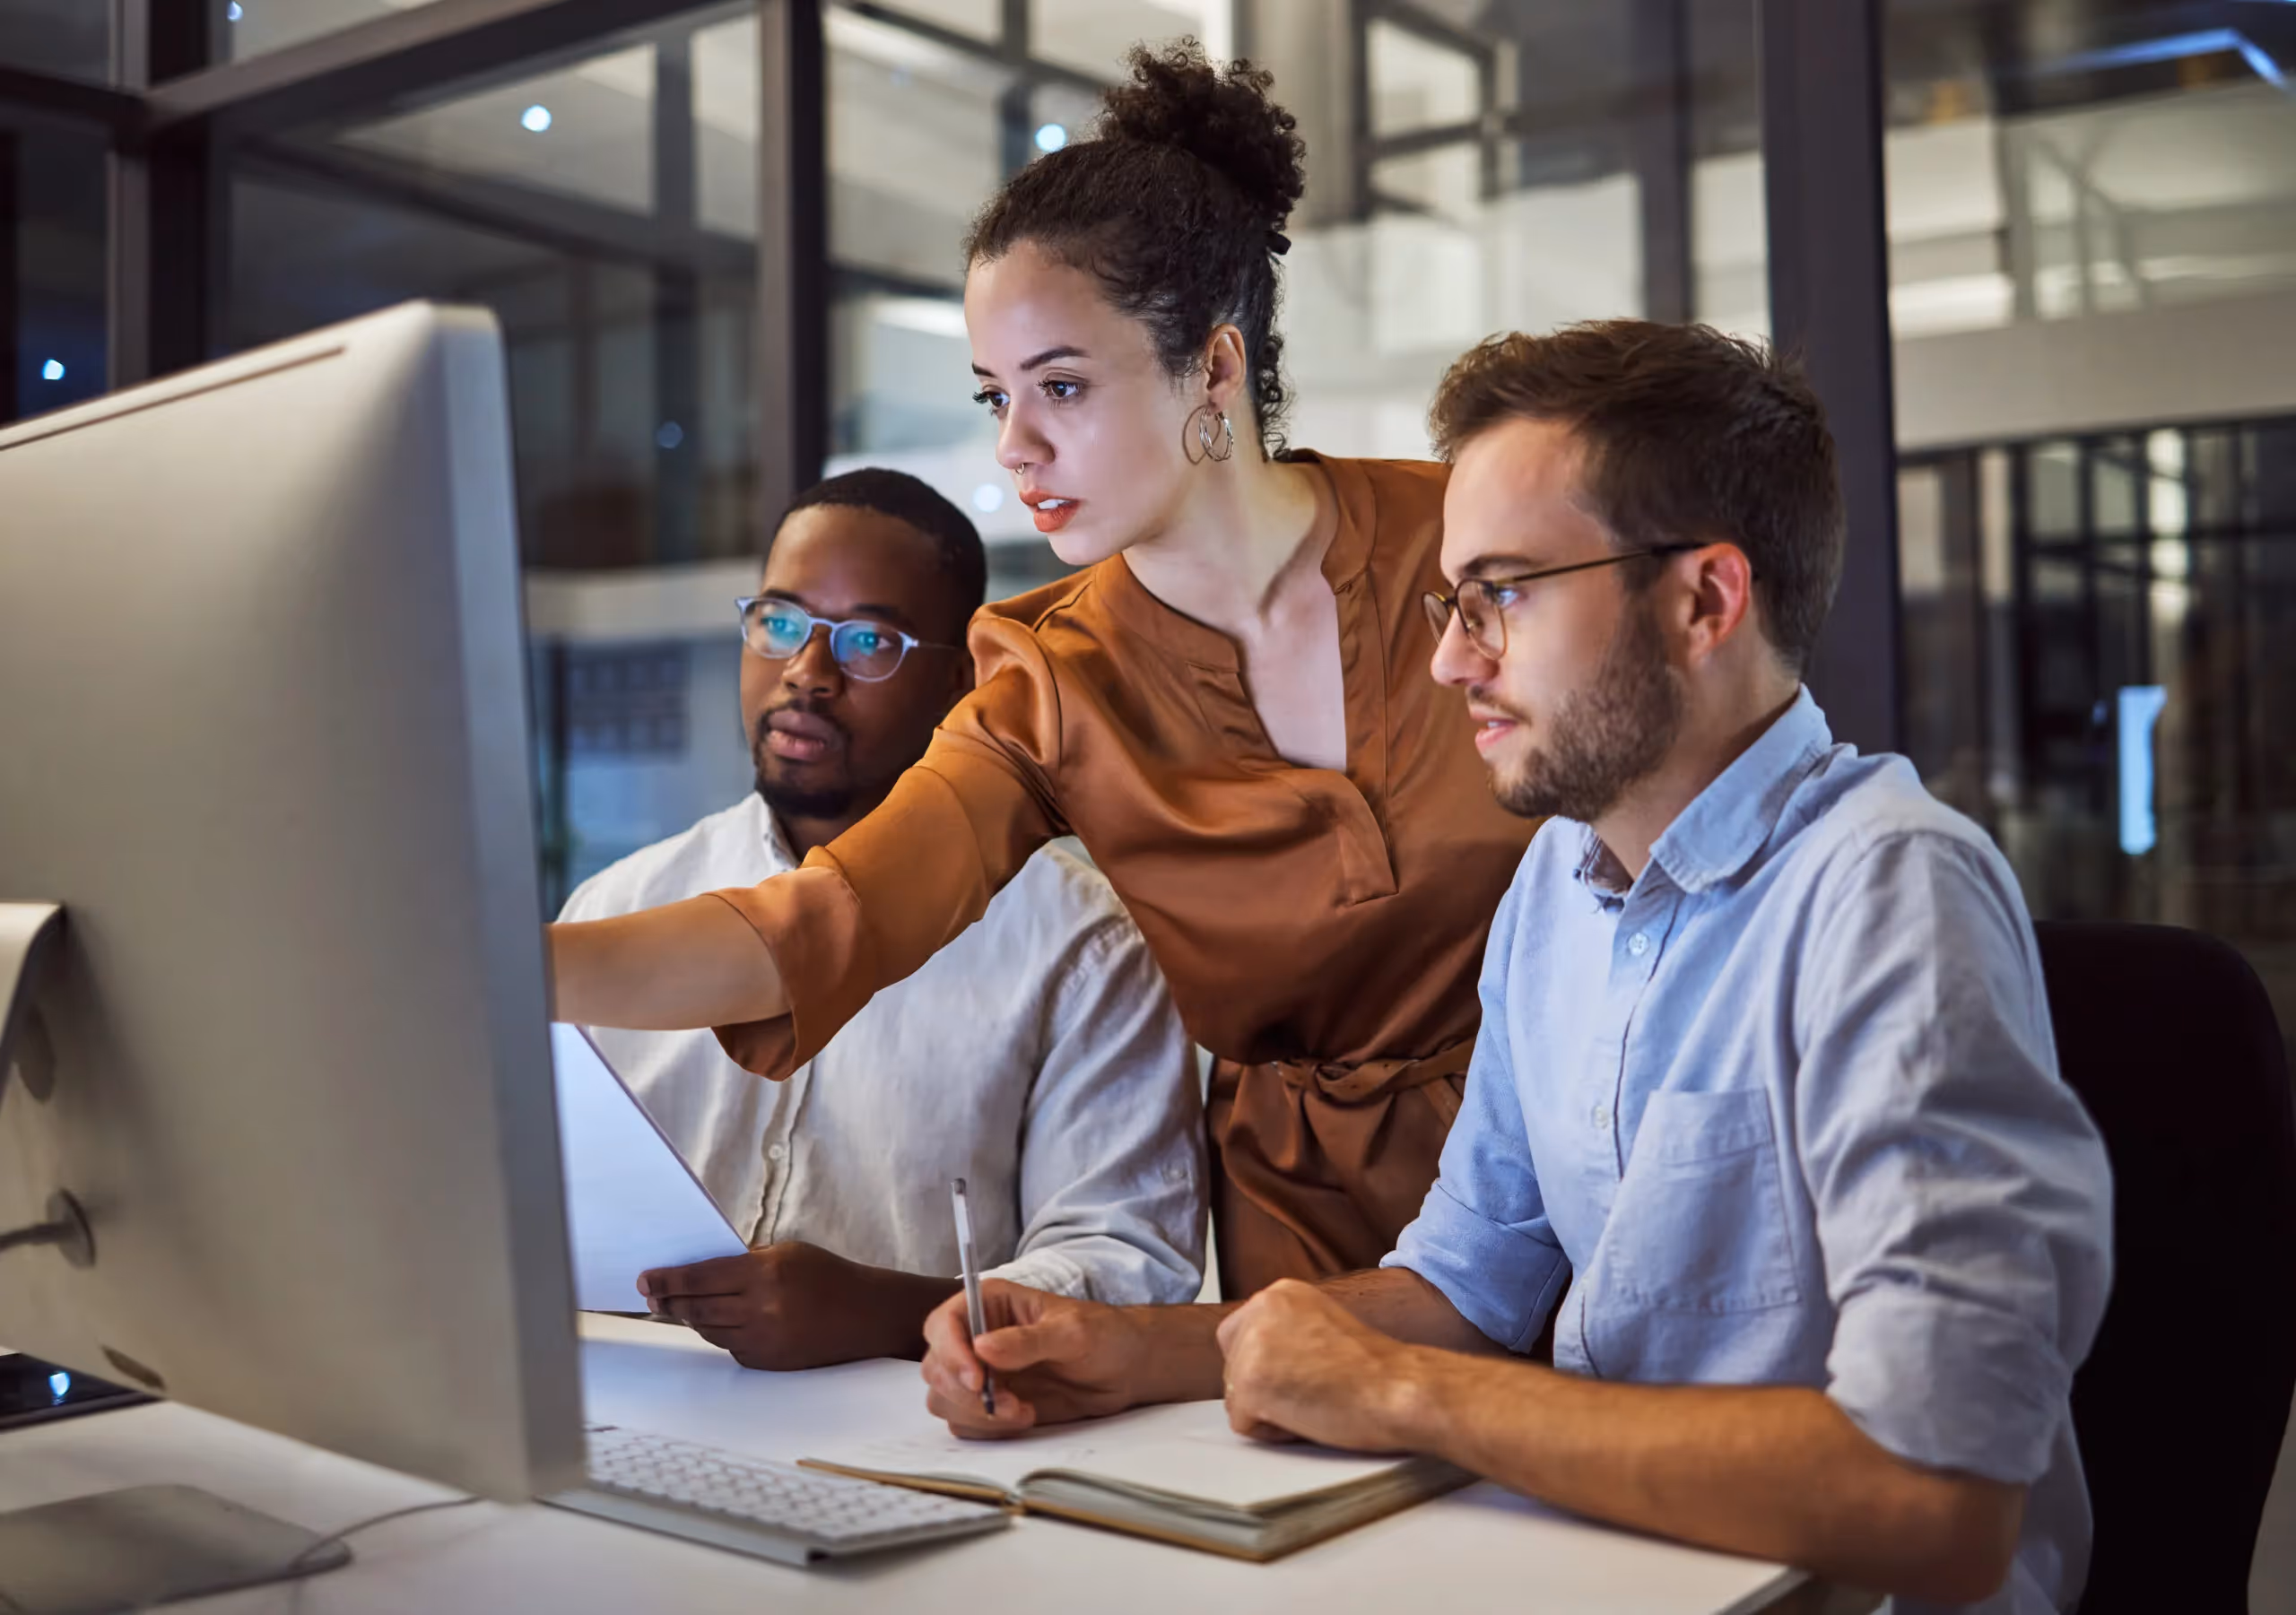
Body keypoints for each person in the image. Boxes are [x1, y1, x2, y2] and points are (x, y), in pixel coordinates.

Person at [915, 323, 2115, 1614]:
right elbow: (1467, 1283)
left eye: (1505, 594)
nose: (1449, 659)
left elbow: (1935, 1498)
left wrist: (1407, 1395)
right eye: (1450, 601)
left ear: (1706, 599)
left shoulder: (1888, 892)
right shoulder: (1557, 880)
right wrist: (1132, 1351)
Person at [548, 44, 1538, 1294]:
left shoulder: (1471, 542)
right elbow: (820, 922)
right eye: (993, 398)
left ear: (1217, 368)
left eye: (1060, 386)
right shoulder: (1048, 676)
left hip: (1575, 1172)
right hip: (1304, 1248)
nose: (1017, 447)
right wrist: (503, 964)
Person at [560, 469, 1205, 1370]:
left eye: (869, 640)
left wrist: (887, 1313)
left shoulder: (1082, 945)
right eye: (779, 622)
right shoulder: (622, 905)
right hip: (623, 1404)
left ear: (958, 679)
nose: (807, 673)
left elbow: (1130, 1267)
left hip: (924, 1436)